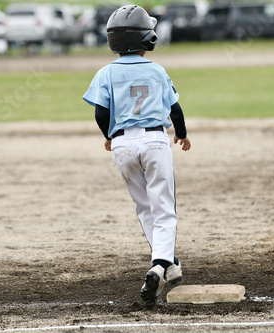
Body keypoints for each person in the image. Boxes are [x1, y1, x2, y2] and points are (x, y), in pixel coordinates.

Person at [83, 5, 191, 307]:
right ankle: (159, 265)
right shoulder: (156, 70)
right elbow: (175, 109)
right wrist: (181, 134)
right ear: (149, 38)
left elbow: (100, 112)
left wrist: (109, 136)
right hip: (155, 141)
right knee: (165, 208)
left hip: (122, 147)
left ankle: (169, 264)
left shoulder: (105, 73)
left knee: (145, 206)